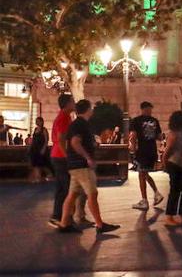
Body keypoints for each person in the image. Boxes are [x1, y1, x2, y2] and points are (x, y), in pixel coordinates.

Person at [56, 100, 119, 234]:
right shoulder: (81, 124)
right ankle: (100, 225)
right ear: (88, 109)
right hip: (82, 166)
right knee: (92, 193)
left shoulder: (75, 124)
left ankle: (64, 223)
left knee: (72, 195)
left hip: (74, 165)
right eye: (91, 108)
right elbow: (75, 142)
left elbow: (76, 142)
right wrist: (88, 157)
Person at [48, 93, 78, 228]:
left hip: (57, 155)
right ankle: (66, 219)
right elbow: (61, 139)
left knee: (61, 188)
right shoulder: (64, 118)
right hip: (61, 157)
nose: (74, 103)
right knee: (68, 189)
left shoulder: (64, 117)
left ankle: (57, 215)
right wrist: (67, 156)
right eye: (72, 101)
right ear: (67, 104)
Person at [128, 101, 164, 210]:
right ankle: (157, 194)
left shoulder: (136, 121)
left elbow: (133, 136)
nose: (150, 111)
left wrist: (133, 149)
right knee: (144, 173)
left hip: (142, 151)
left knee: (141, 175)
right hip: (152, 151)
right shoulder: (155, 121)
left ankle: (144, 200)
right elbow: (159, 137)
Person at [28, 115, 51, 183]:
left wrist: (44, 148)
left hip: (41, 148)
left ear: (42, 122)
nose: (37, 122)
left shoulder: (44, 129)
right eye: (36, 121)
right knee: (35, 164)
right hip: (35, 148)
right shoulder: (35, 129)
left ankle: (48, 174)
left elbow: (46, 140)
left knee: (42, 164)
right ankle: (37, 177)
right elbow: (34, 139)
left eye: (38, 121)